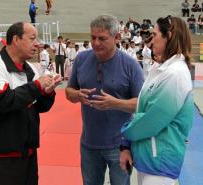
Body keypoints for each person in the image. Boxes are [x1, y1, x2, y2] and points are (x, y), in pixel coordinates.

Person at [0, 22, 62, 185]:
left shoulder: (30, 68)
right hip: (3, 155)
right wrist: (37, 86)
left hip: (28, 151)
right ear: (16, 39)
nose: (37, 43)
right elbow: (4, 101)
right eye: (32, 38)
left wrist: (47, 91)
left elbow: (39, 107)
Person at [65, 14, 144, 185]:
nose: (96, 43)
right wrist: (76, 95)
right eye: (93, 37)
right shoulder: (81, 59)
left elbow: (141, 104)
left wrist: (115, 103)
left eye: (102, 38)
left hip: (120, 145)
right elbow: (69, 91)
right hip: (89, 143)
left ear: (116, 37)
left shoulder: (131, 66)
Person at [121, 16, 194, 185]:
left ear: (168, 36)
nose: (151, 40)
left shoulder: (174, 74)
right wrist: (127, 145)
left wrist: (125, 134)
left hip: (160, 159)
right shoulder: (160, 69)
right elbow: (142, 110)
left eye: (154, 35)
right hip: (150, 154)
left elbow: (151, 120)